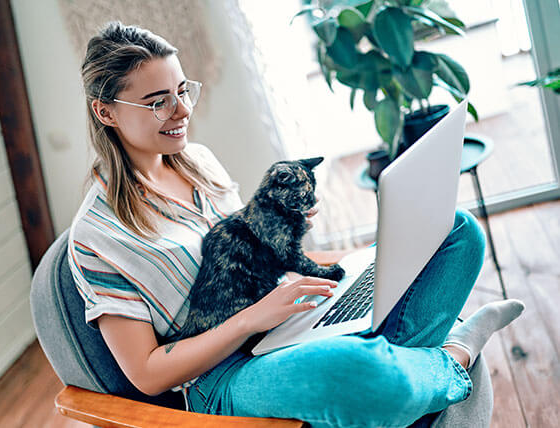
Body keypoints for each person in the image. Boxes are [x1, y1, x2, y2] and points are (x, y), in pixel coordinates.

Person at [68, 21, 525, 427]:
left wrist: (285, 229)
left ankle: (390, 380)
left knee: (458, 231)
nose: (182, 111)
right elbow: (147, 374)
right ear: (105, 112)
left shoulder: (197, 162)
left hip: (286, 320)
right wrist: (252, 320)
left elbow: (244, 255)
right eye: (157, 102)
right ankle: (449, 358)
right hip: (225, 377)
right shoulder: (99, 236)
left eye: (183, 90)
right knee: (357, 372)